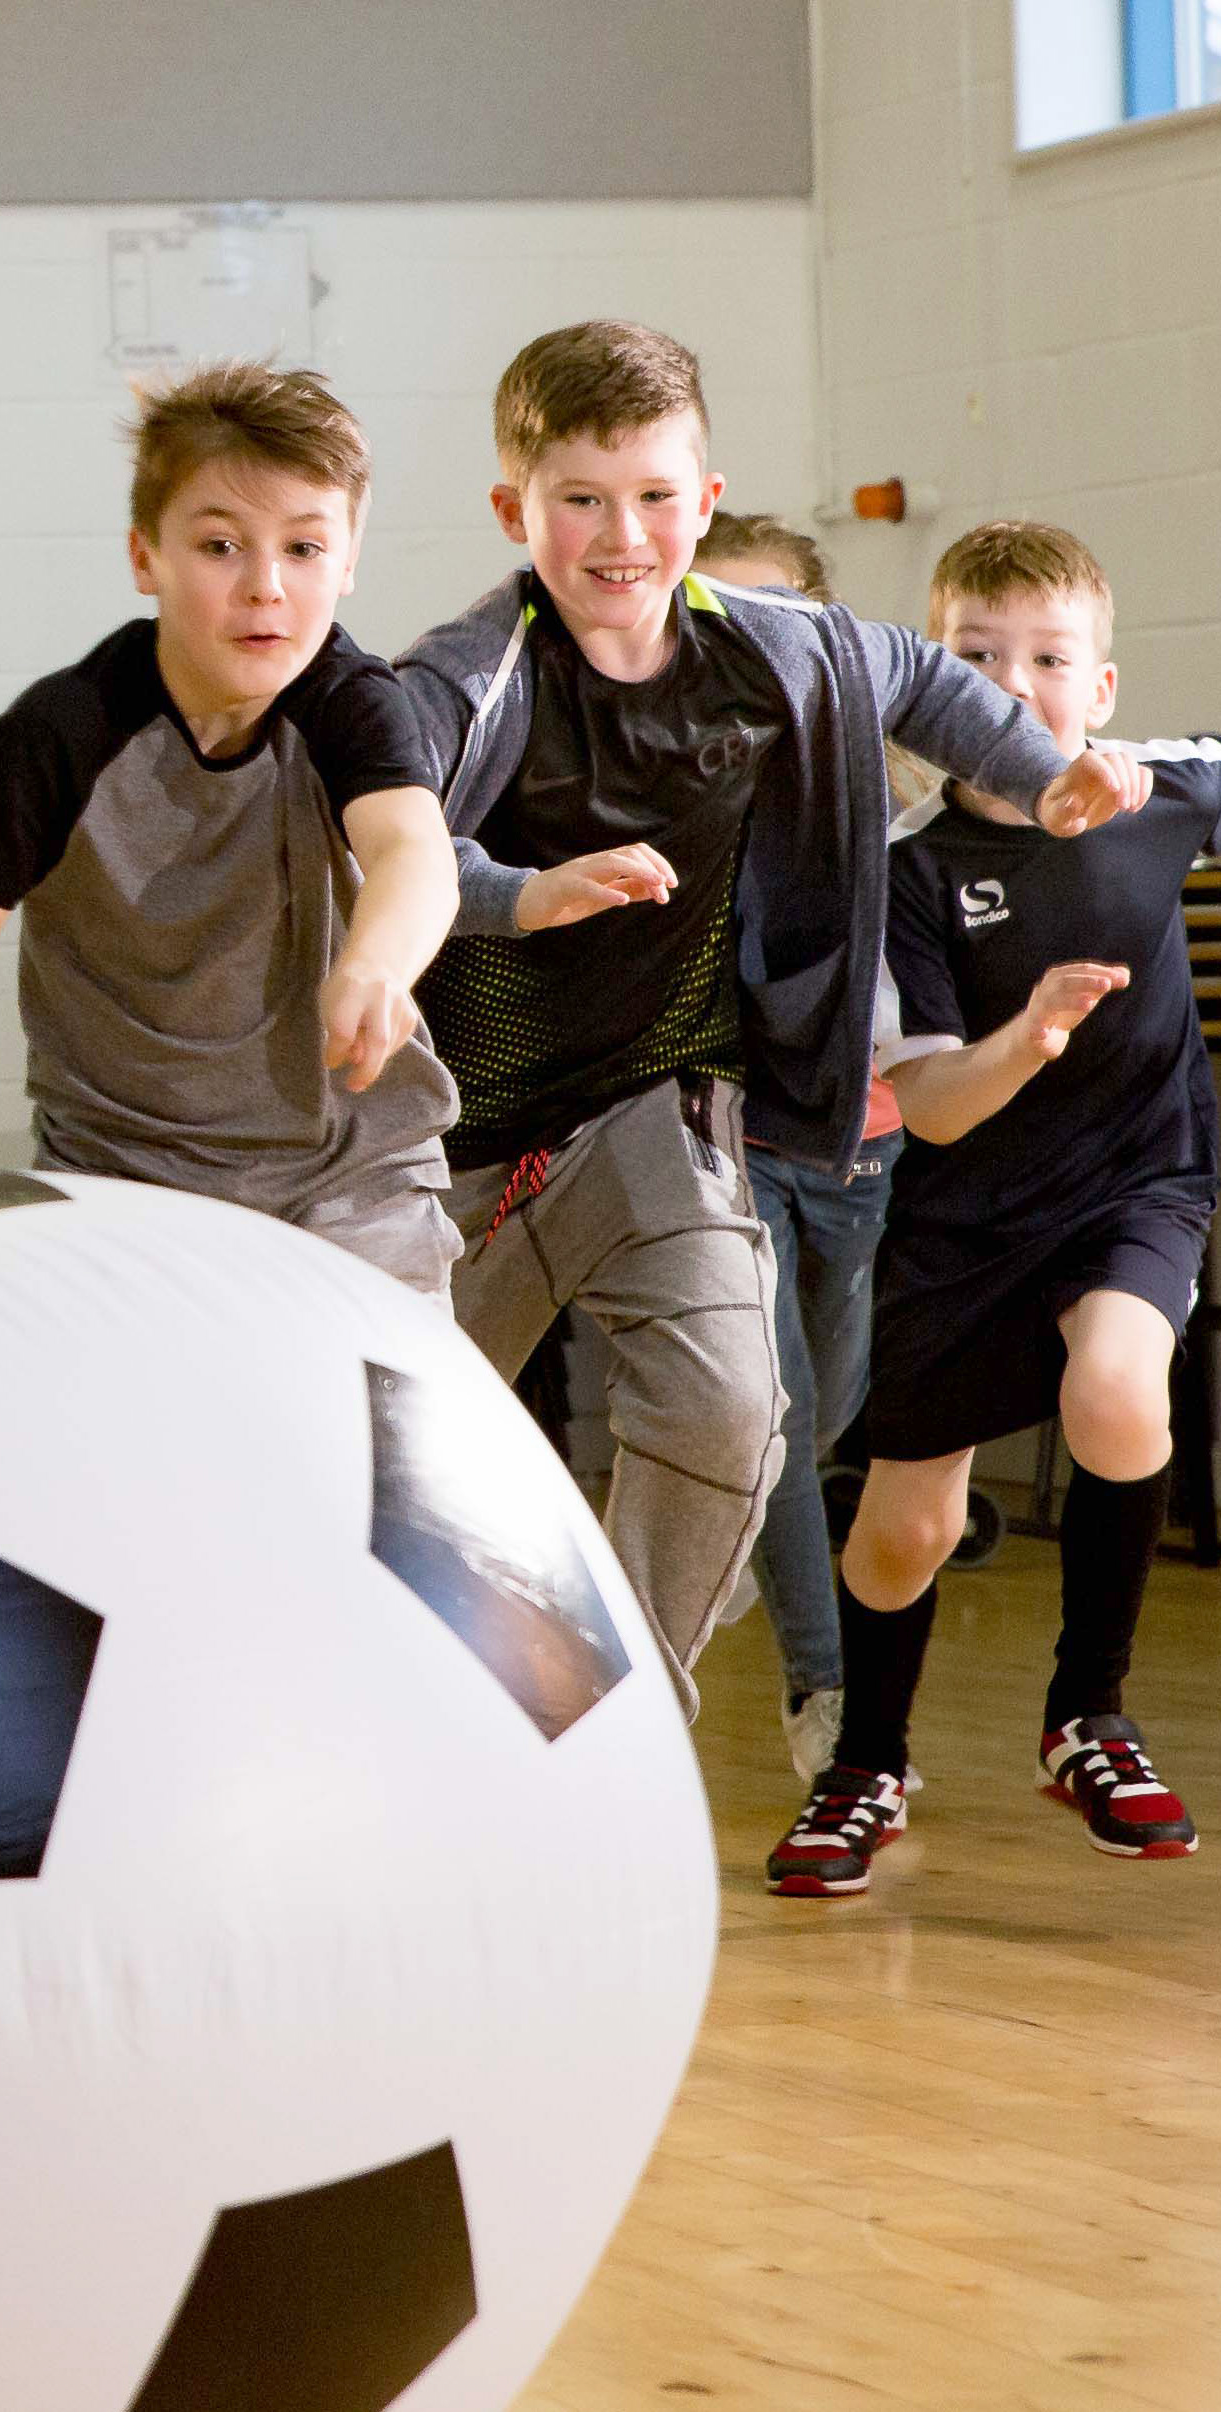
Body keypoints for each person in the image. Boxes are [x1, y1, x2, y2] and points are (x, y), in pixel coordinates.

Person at [393, 320, 1142, 1715]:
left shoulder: (772, 645)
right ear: (515, 512)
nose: (624, 536)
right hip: (463, 1143)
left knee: (741, 1416)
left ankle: (599, 1722)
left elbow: (919, 684)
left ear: (705, 497)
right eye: (580, 500)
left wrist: (1045, 776)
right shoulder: (466, 676)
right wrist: (523, 895)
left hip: (656, 1111)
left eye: (656, 497)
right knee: (398, 1444)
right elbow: (390, 844)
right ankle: (379, 1718)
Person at [770, 520, 1218, 1895]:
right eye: (972, 658)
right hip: (963, 1220)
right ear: (927, 687)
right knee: (904, 1530)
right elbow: (941, 1108)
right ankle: (867, 1761)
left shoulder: (1169, 793)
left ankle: (1086, 1713)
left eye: (1046, 658)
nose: (1013, 685)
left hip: (1136, 1189)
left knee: (1118, 1397)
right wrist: (1026, 1035)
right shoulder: (900, 870)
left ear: (1101, 687)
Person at [0, 362, 461, 1295]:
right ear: (144, 556)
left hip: (352, 1183)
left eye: (305, 549)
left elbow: (411, 850)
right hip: (118, 1187)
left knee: (380, 1438)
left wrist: (374, 964)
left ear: (350, 559)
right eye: (220, 546)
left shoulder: (353, 703)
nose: (265, 587)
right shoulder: (62, 735)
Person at [689, 513, 900, 1775]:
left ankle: (766, 1530)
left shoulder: (879, 794)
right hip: (733, 1142)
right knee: (781, 1402)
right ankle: (830, 1702)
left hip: (866, 1152)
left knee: (828, 1403)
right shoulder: (681, 795)